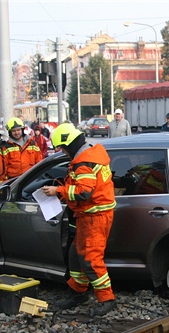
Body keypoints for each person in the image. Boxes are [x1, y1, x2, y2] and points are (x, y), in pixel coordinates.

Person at [42, 123, 117, 316]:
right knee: (76, 255)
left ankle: (106, 298)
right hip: (89, 215)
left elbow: (84, 192)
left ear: (68, 144)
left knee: (91, 258)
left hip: (94, 216)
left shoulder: (84, 162)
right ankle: (78, 292)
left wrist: (57, 191)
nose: (63, 153)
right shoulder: (92, 154)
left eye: (62, 149)